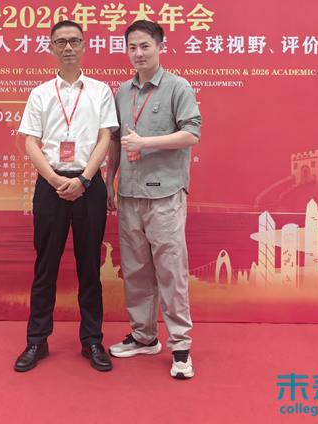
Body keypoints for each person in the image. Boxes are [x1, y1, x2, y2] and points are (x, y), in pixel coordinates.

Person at [14, 20, 119, 373]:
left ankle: (92, 341)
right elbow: (31, 142)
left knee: (90, 267)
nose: (68, 47)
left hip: (89, 185)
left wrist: (84, 179)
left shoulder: (101, 91)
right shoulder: (40, 93)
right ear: (51, 48)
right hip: (51, 185)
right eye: (61, 42)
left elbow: (104, 138)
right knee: (45, 266)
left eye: (74, 41)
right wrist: (56, 179)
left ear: (85, 46)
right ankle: (37, 340)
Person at [105, 20, 201, 380]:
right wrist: (110, 182)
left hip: (165, 195)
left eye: (145, 45)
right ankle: (144, 337)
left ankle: (181, 347)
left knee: (170, 271)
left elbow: (192, 134)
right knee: (135, 271)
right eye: (132, 47)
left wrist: (145, 142)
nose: (138, 53)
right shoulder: (122, 91)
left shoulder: (178, 87)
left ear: (161, 46)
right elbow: (116, 142)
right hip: (129, 195)